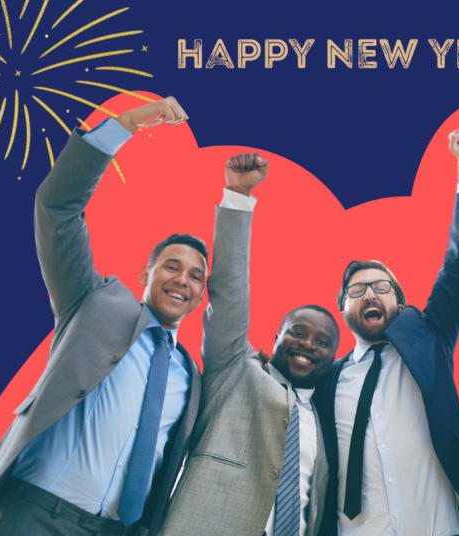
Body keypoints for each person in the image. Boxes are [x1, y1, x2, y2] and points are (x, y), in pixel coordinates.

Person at [0, 98, 205, 536]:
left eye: (196, 275)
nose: (182, 280)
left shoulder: (190, 376)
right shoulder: (93, 300)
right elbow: (57, 209)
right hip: (34, 515)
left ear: (202, 293)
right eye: (171, 266)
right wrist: (124, 126)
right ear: (147, 272)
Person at [156, 152, 339, 536]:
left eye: (322, 342)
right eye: (297, 332)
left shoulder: (326, 421)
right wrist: (239, 195)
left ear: (332, 357)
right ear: (275, 339)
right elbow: (230, 291)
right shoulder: (235, 368)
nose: (307, 344)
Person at [315, 130, 459, 536]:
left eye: (381, 286)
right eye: (356, 290)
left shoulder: (430, 339)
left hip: (438, 526)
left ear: (402, 304)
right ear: (343, 309)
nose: (369, 294)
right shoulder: (328, 380)